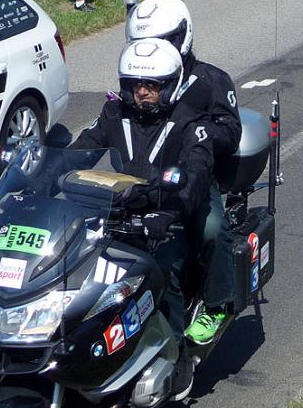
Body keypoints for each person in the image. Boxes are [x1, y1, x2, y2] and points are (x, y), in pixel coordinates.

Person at [70, 38, 216, 401]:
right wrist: (40, 175)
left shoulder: (189, 122)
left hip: (168, 219)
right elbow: (81, 149)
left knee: (163, 272)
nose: (143, 93)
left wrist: (169, 213)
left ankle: (178, 356)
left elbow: (196, 174)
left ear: (169, 85)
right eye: (136, 85)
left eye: (152, 85)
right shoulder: (114, 114)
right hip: (116, 216)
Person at [125, 0, 241, 344]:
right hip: (142, 179)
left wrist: (196, 135)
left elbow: (230, 131)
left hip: (194, 176)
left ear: (181, 36)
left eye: (162, 41)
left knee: (211, 228)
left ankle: (218, 304)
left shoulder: (210, 80)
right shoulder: (141, 81)